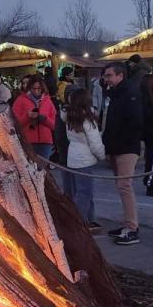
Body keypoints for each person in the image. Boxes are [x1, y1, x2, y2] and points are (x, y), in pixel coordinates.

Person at [100, 62, 144, 245]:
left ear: (120, 76)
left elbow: (135, 121)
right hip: (116, 146)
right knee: (121, 186)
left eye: (109, 75)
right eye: (105, 75)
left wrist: (119, 142)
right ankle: (128, 224)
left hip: (126, 146)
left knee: (125, 185)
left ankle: (132, 228)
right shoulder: (115, 94)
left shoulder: (129, 94)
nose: (106, 79)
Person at [61, 89, 105, 228]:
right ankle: (78, 222)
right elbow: (95, 144)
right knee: (84, 193)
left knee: (80, 191)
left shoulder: (69, 117)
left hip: (72, 157)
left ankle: (89, 219)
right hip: (85, 160)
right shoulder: (87, 121)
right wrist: (102, 156)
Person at [12, 77, 56, 159]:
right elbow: (14, 124)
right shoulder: (20, 100)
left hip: (45, 142)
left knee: (42, 168)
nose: (36, 91)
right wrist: (27, 116)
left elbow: (54, 125)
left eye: (39, 88)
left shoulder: (48, 100)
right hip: (28, 141)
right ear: (29, 88)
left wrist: (44, 118)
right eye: (33, 88)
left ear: (43, 88)